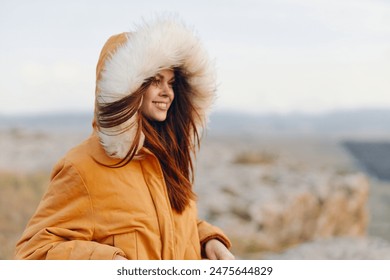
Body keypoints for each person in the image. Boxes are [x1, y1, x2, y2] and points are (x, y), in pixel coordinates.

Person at [14, 17, 234, 260]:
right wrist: (108, 262)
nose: (167, 92)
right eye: (154, 81)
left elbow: (163, 226)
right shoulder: (83, 167)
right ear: (126, 87)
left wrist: (207, 240)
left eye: (171, 83)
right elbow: (32, 254)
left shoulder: (166, 158)